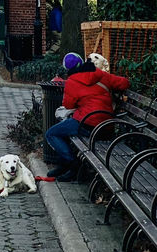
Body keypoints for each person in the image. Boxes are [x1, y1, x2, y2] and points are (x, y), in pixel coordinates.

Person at [45, 52, 129, 181]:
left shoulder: (72, 81)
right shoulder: (100, 74)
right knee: (65, 129)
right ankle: (64, 165)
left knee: (52, 134)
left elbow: (68, 104)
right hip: (106, 125)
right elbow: (124, 83)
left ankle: (72, 164)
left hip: (87, 124)